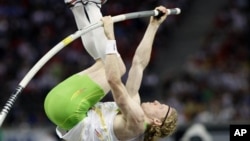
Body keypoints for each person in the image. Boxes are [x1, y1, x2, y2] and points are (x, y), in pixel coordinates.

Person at [44, 0, 178, 141]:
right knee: (103, 63)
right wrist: (154, 25)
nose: (157, 101)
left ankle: (92, 6)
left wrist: (110, 38)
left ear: (157, 122)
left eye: (161, 107)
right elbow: (138, 63)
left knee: (118, 68)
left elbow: (113, 80)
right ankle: (77, 6)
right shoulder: (134, 108)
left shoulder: (137, 123)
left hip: (68, 109)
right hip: (59, 108)